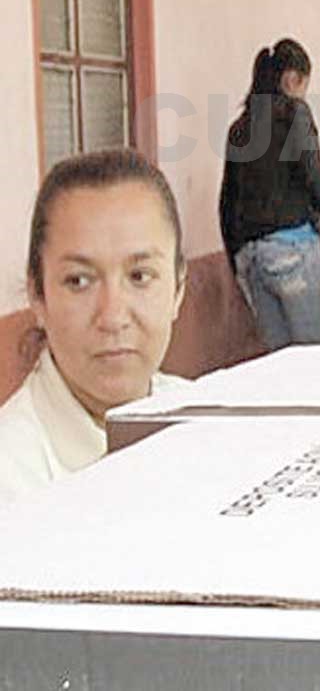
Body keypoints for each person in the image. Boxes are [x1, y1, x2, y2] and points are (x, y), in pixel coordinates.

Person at [0, 150, 188, 505]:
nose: (113, 317)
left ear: (178, 288)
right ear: (37, 297)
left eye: (140, 276)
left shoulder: (209, 425)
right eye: (79, 281)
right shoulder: (12, 481)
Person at [219, 38, 320, 350]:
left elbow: (227, 199)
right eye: (304, 85)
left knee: (279, 365)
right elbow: (311, 169)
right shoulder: (294, 112)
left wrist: (236, 258)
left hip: (251, 258)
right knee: (316, 358)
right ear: (291, 79)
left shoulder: (239, 127)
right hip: (292, 249)